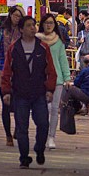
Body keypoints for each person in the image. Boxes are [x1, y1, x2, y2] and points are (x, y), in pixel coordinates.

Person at [1, 15, 57, 169]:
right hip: (20, 94)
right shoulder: (14, 48)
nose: (33, 28)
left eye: (34, 25)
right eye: (28, 25)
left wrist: (50, 89)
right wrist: (6, 91)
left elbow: (51, 71)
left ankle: (39, 149)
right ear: (21, 29)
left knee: (43, 124)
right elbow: (7, 72)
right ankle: (24, 158)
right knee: (21, 127)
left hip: (39, 93)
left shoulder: (43, 47)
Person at [0, 6, 24, 146]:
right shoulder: (0, 31)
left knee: (18, 103)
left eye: (19, 16)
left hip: (20, 72)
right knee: (6, 104)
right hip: (2, 70)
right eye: (15, 15)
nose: (17, 18)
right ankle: (8, 135)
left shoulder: (23, 32)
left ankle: (17, 128)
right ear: (10, 15)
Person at [36, 13, 71, 150]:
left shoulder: (58, 42)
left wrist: (67, 77)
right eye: (46, 23)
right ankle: (42, 135)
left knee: (54, 109)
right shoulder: (36, 41)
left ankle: (51, 137)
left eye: (51, 23)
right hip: (40, 80)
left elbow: (63, 61)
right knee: (42, 109)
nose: (49, 25)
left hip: (57, 80)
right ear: (42, 24)